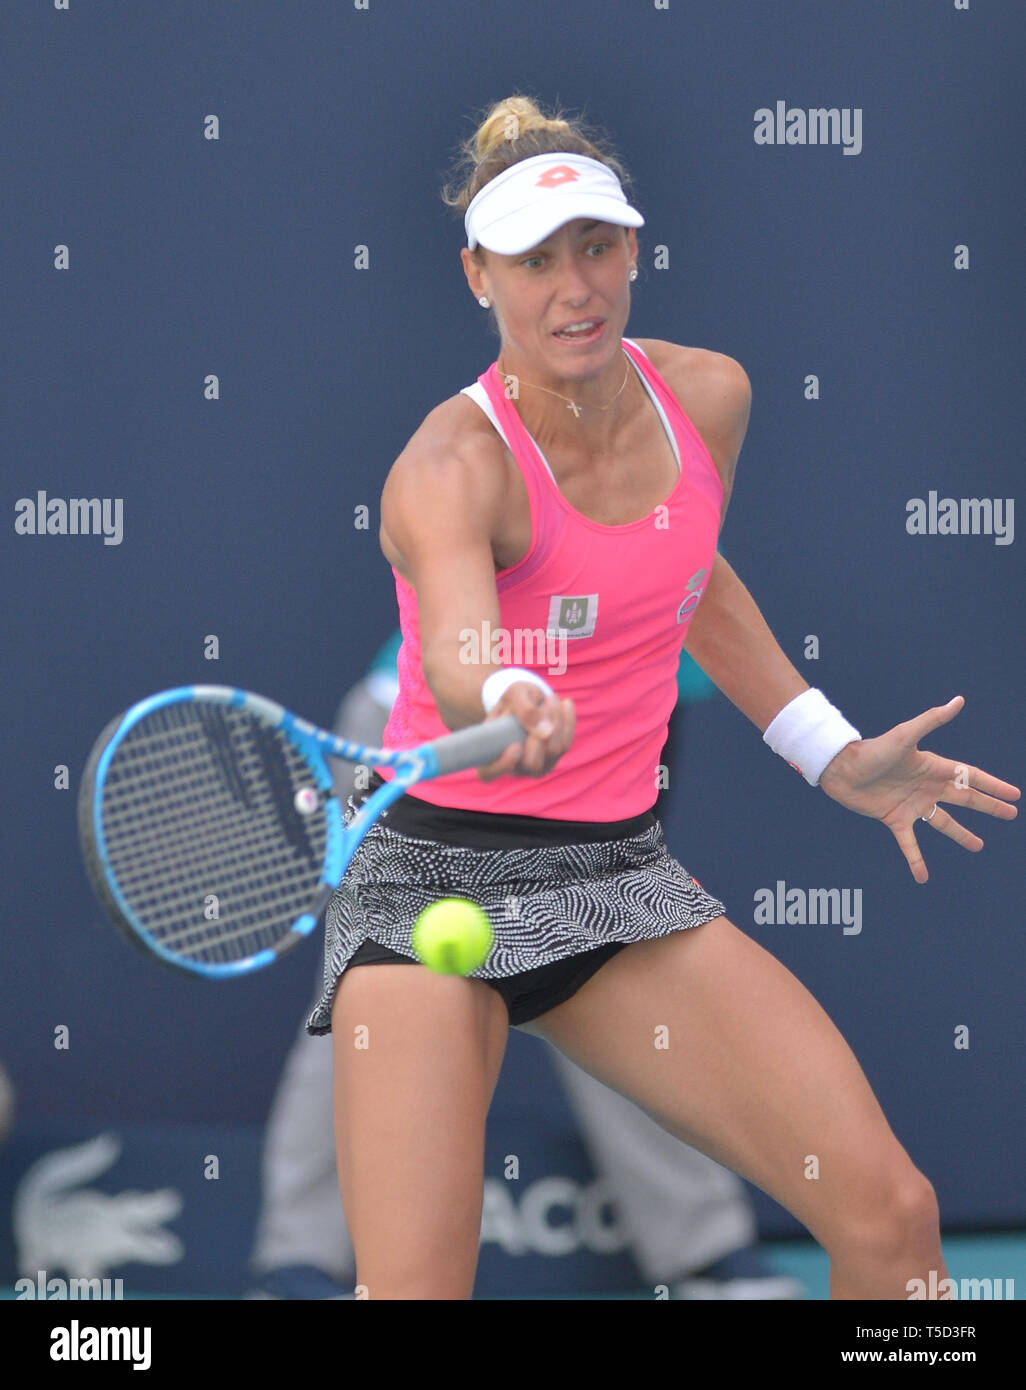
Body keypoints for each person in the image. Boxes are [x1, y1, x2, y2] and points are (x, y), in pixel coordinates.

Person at [305, 95, 1018, 1301]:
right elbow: (458, 654)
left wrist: (825, 748)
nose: (573, 286)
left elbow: (686, 577)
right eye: (534, 260)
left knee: (893, 1219)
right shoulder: (448, 465)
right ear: (477, 274)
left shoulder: (710, 397)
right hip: (430, 883)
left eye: (595, 246)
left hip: (613, 877)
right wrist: (511, 692)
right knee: (413, 1291)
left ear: (634, 249)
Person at [250, 634, 803, 1299]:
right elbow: (458, 625)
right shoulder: (510, 529)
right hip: (423, 737)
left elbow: (660, 714)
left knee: (607, 960)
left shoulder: (676, 553)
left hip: (584, 755)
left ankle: (704, 1250)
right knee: (372, 994)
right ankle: (297, 1264)